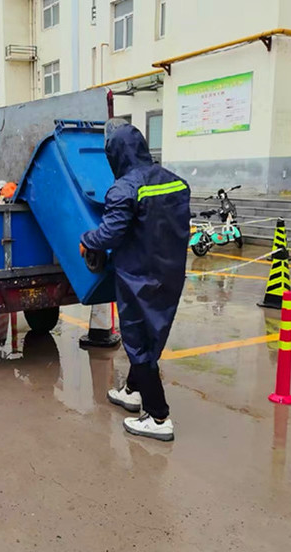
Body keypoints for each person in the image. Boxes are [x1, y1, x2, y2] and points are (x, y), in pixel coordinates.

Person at [80, 119, 190, 442]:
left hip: (138, 277)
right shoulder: (176, 183)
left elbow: (111, 232)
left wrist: (87, 239)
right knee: (150, 337)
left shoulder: (125, 188)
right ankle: (132, 391)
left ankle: (158, 417)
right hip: (168, 274)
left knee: (138, 340)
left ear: (115, 155)